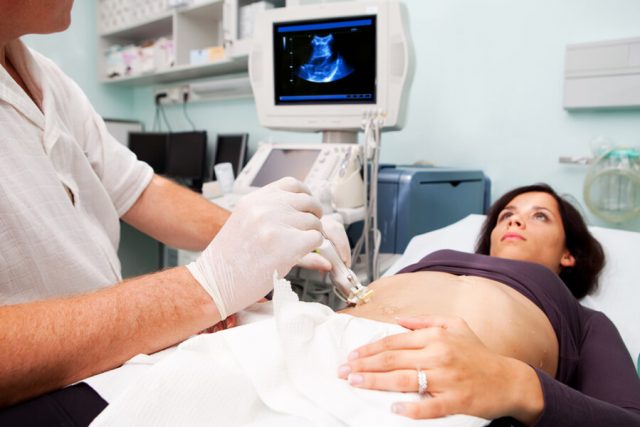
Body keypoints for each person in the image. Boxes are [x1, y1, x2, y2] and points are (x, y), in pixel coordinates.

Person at [0, 0, 350, 417]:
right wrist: (200, 289)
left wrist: (266, 237)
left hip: (109, 365)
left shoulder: (43, 74)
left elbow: (138, 189)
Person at [338, 184, 640, 426]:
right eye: (506, 214)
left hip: (420, 397)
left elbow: (629, 419)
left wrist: (518, 385)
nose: (514, 219)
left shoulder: (584, 320)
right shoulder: (435, 258)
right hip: (328, 342)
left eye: (540, 216)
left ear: (568, 255)